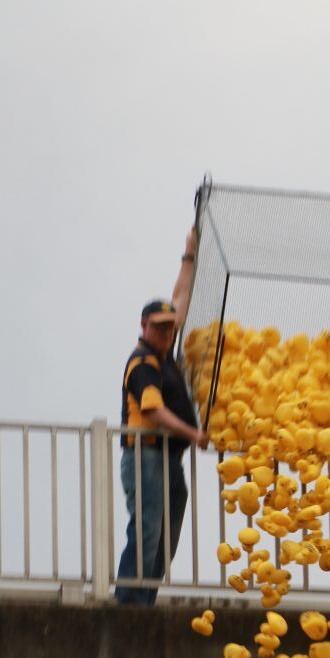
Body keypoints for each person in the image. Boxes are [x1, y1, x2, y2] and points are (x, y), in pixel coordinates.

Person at [115, 229, 209, 605]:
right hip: (146, 456)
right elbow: (152, 410)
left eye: (170, 327)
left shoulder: (165, 352)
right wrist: (194, 433)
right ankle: (129, 600)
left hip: (169, 459)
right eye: (159, 327)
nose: (167, 332)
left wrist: (189, 254)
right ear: (144, 327)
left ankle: (145, 597)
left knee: (166, 535)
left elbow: (179, 299)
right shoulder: (143, 362)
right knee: (148, 528)